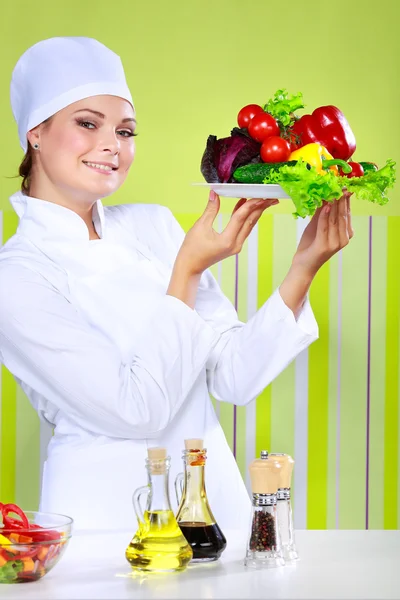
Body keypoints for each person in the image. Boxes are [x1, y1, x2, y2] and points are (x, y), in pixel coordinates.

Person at [0, 37, 353, 532]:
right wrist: (185, 272)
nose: (112, 145)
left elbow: (234, 376)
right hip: (108, 520)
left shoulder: (155, 226)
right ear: (35, 133)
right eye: (87, 124)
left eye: (125, 130)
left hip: (210, 506)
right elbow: (134, 411)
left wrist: (304, 267)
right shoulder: (16, 276)